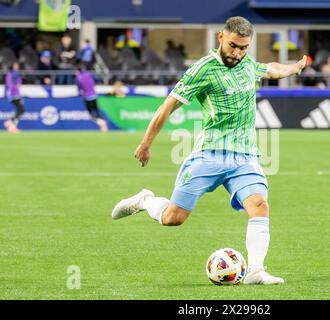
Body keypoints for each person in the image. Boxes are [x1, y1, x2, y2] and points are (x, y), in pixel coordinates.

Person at [111, 16, 307, 285]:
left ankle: (256, 271)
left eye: (243, 47)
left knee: (260, 205)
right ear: (220, 38)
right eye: (233, 46)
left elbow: (269, 68)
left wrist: (293, 68)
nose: (237, 53)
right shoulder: (202, 69)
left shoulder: (247, 64)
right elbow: (167, 106)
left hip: (244, 156)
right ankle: (146, 200)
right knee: (173, 218)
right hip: (209, 155)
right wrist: (146, 144)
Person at [75, 64, 108, 132]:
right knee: (97, 112)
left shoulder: (78, 77)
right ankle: (103, 124)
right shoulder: (89, 74)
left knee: (91, 114)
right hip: (94, 96)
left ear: (78, 71)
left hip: (87, 98)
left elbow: (79, 89)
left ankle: (102, 124)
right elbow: (96, 80)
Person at [3, 62, 24, 133]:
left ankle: (10, 123)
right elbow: (10, 84)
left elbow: (19, 82)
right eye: (15, 65)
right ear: (12, 66)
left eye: (17, 65)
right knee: (20, 109)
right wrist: (14, 89)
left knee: (20, 110)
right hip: (13, 95)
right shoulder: (11, 74)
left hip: (16, 94)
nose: (17, 66)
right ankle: (11, 125)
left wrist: (18, 85)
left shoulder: (16, 74)